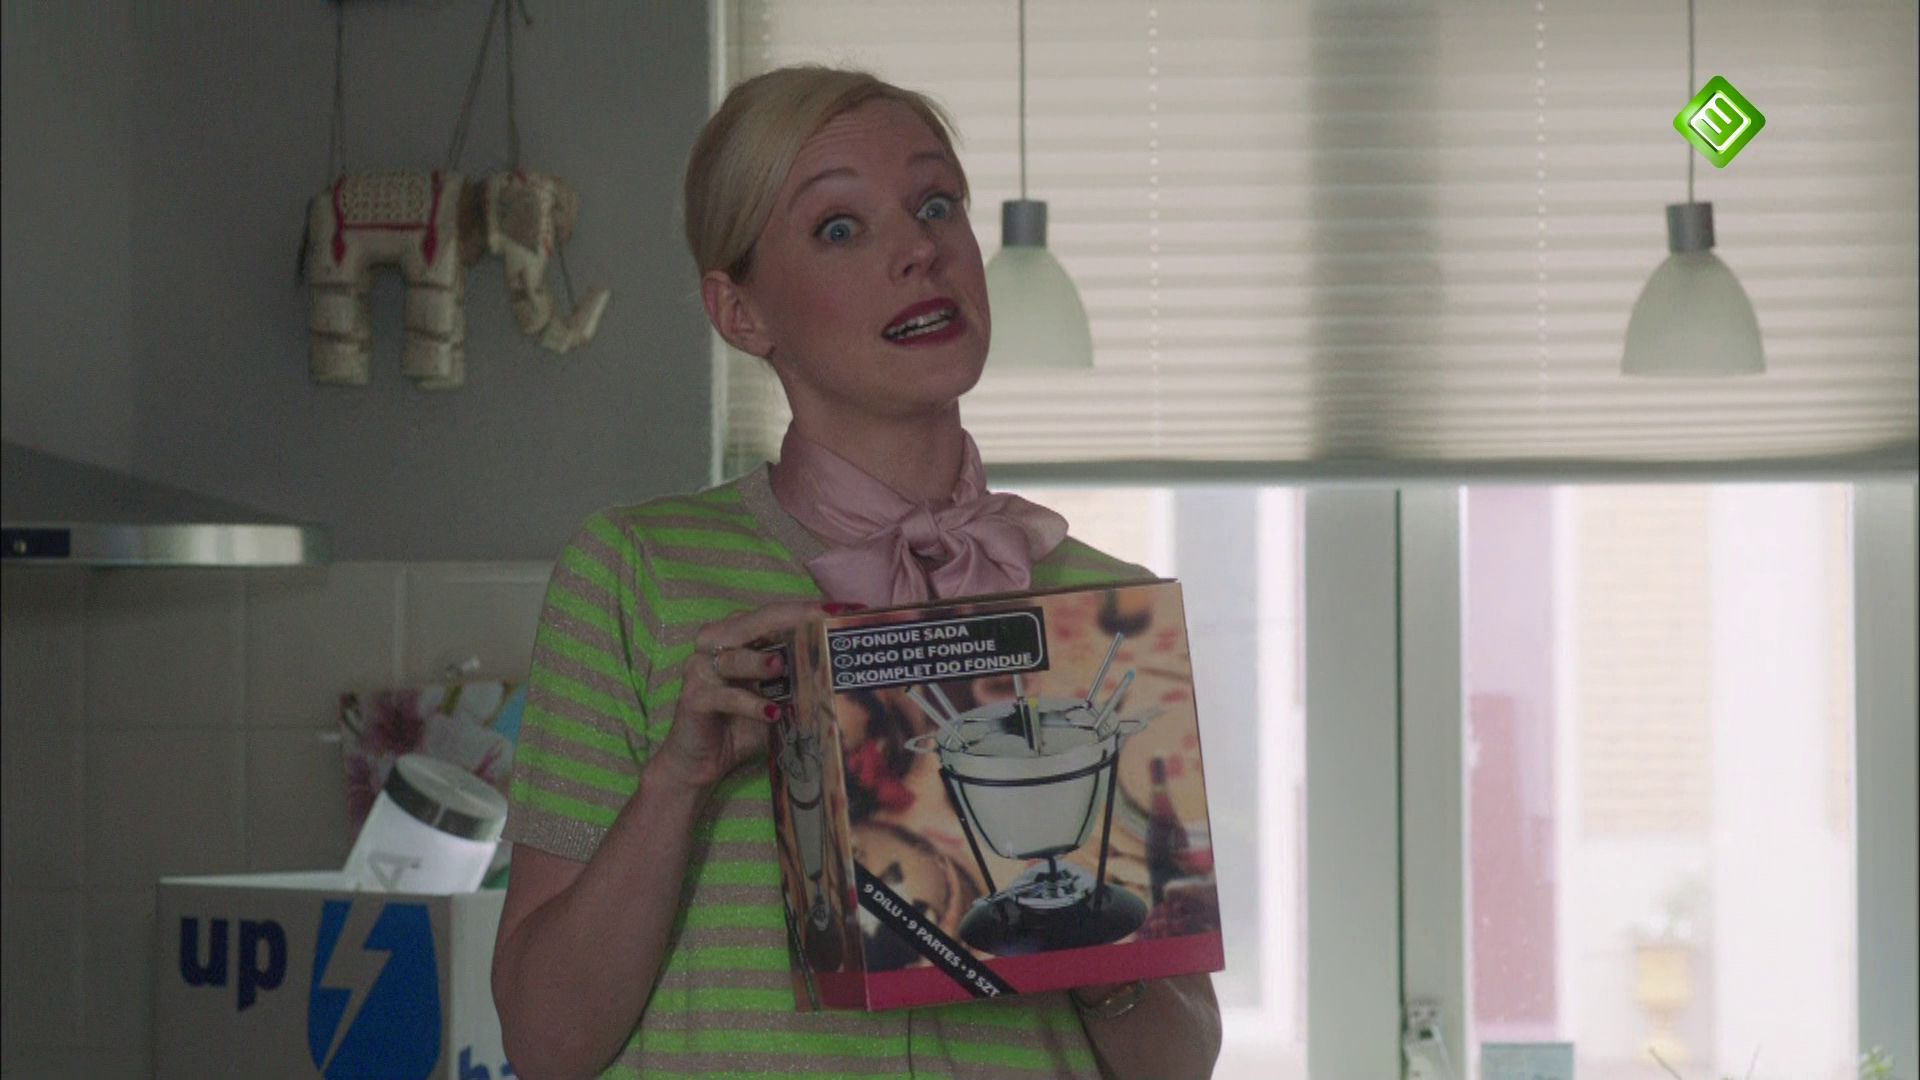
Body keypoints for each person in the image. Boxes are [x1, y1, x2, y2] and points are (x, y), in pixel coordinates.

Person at [491, 65, 1222, 1080]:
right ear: (741, 313)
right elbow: (545, 1044)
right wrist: (678, 781)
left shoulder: (1099, 613)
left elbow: (1180, 1063)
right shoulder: (632, 575)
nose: (921, 248)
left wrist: (1101, 951)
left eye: (937, 204)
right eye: (840, 227)